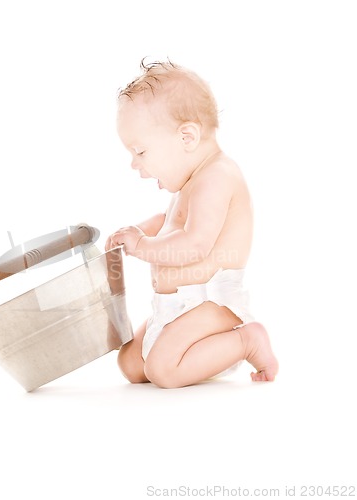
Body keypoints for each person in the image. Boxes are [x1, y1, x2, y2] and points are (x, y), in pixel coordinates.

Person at [105, 60, 278, 388]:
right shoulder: (191, 179)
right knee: (131, 364)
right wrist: (137, 233)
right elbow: (169, 223)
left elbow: (196, 242)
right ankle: (173, 346)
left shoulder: (217, 176)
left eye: (140, 151)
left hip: (209, 303)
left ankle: (246, 340)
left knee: (162, 371)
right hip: (173, 306)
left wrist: (142, 247)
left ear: (187, 136)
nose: (133, 163)